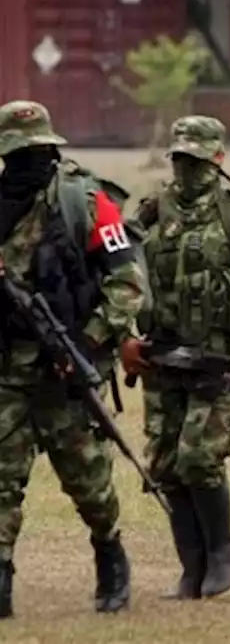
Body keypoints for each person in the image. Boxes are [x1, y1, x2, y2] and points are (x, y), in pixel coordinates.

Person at [126, 116, 230, 599]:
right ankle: (191, 567)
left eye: (196, 160)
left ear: (217, 159)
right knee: (165, 463)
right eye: (179, 158)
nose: (186, 169)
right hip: (163, 357)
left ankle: (221, 557)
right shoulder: (152, 212)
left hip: (221, 358)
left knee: (200, 457)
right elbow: (121, 276)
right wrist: (126, 341)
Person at [0, 101, 146, 617]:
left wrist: (89, 341)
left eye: (37, 152)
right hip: (7, 370)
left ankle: (111, 555)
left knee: (89, 481)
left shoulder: (83, 199)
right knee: (2, 478)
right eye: (19, 154)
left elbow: (129, 282)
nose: (29, 162)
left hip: (68, 368)